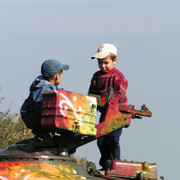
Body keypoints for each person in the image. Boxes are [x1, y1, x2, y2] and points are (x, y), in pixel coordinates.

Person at [88, 43, 128, 170]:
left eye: (106, 62)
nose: (102, 66)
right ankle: (106, 164)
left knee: (112, 138)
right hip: (105, 112)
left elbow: (121, 93)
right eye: (100, 63)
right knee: (101, 139)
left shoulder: (117, 75)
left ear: (114, 61)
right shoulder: (96, 76)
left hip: (118, 112)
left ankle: (116, 163)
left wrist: (108, 99)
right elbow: (91, 94)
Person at [20, 59, 69, 139]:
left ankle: (45, 133)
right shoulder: (43, 87)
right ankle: (41, 133)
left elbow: (56, 91)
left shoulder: (48, 85)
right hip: (31, 116)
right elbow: (39, 105)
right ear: (57, 76)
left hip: (33, 115)